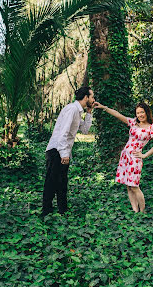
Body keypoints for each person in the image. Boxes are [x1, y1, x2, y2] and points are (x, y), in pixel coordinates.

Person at [94, 101, 153, 213]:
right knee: (128, 186)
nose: (140, 115)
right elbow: (118, 115)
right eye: (138, 113)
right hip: (125, 157)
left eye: (142, 112)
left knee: (134, 186)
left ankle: (142, 212)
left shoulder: (151, 127)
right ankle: (135, 211)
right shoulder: (133, 122)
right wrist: (104, 107)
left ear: (146, 112)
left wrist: (144, 155)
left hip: (135, 158)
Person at [41, 87, 95, 217]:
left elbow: (85, 130)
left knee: (62, 182)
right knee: (51, 182)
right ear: (86, 97)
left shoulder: (78, 111)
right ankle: (46, 212)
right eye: (92, 97)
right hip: (56, 150)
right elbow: (63, 133)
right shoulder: (72, 109)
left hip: (62, 150)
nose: (94, 100)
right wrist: (64, 154)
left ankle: (62, 210)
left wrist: (89, 112)